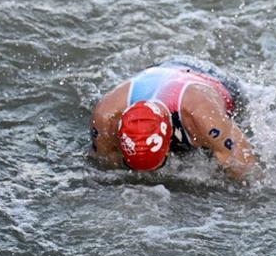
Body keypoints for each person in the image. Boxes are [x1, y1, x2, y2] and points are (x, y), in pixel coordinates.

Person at [90, 57, 256, 180]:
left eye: (159, 165)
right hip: (161, 69)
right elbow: (107, 166)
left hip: (209, 79)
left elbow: (245, 167)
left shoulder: (203, 117)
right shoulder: (105, 117)